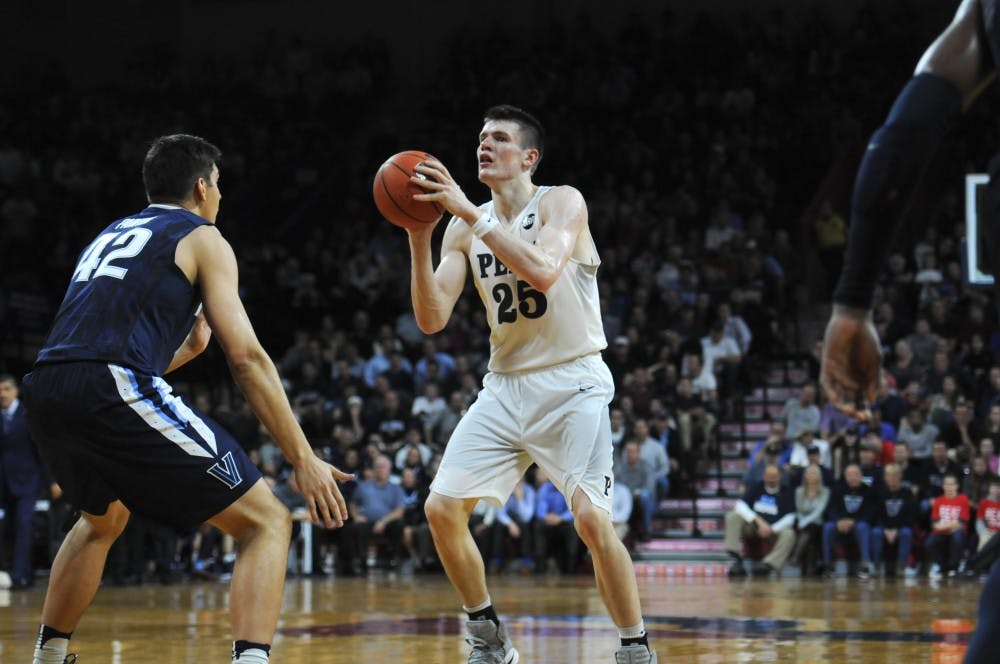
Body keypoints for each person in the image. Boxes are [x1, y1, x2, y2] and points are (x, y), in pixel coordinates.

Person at [20, 135, 352, 664]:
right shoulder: (203, 237)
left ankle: (49, 655)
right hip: (110, 383)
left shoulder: (112, 232)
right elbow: (246, 358)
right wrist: (303, 458)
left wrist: (190, 343)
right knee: (267, 521)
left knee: (103, 520)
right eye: (218, 185)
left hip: (46, 385)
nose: (220, 196)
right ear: (201, 187)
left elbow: (131, 345)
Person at [405, 105, 656, 663]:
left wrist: (470, 214)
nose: (483, 146)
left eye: (498, 138)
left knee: (592, 520)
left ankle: (635, 647)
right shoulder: (461, 227)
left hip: (573, 380)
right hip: (505, 385)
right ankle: (488, 635)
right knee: (441, 510)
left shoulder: (561, 201)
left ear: (529, 156)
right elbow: (431, 317)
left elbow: (543, 269)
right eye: (479, 138)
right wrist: (418, 238)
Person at [724, 464, 796, 578]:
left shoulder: (786, 491)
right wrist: (758, 521)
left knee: (789, 534)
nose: (771, 479)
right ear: (764, 476)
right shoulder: (757, 486)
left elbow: (791, 517)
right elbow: (740, 505)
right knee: (732, 516)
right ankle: (735, 556)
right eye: (769, 476)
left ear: (780, 477)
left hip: (774, 530)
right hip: (753, 527)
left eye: (774, 476)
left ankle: (768, 565)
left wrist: (772, 529)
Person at [822, 464, 876, 578]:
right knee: (828, 527)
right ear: (845, 476)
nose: (853, 477)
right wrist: (838, 521)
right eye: (850, 475)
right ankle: (828, 566)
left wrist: (853, 521)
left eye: (856, 474)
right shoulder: (837, 489)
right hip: (840, 523)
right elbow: (830, 510)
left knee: (863, 527)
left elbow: (871, 514)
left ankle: (864, 566)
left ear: (861, 476)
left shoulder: (869, 491)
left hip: (859, 523)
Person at [871, 463, 917, 578]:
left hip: (901, 527)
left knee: (906, 533)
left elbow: (910, 516)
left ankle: (902, 566)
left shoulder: (908, 493)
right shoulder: (881, 493)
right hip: (884, 528)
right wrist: (886, 529)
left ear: (900, 477)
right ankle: (876, 567)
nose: (892, 478)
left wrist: (896, 529)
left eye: (895, 475)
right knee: (876, 533)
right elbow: (877, 515)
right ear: (885, 477)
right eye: (889, 475)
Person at [926, 474, 970, 578]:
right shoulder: (938, 501)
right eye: (947, 484)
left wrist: (944, 526)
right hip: (941, 533)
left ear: (957, 486)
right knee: (929, 542)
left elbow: (962, 522)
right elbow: (934, 524)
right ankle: (942, 566)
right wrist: (951, 525)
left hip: (957, 532)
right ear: (943, 486)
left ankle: (955, 567)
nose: (949, 487)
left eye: (952, 484)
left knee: (957, 536)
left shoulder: (963, 499)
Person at [793, 465, 830, 577]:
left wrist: (805, 522)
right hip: (800, 521)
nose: (809, 475)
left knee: (811, 529)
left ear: (819, 476)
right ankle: (808, 571)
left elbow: (819, 511)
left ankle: (796, 556)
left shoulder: (825, 491)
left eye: (813, 473)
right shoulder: (799, 491)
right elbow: (798, 509)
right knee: (809, 541)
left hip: (816, 521)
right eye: (807, 473)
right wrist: (801, 521)